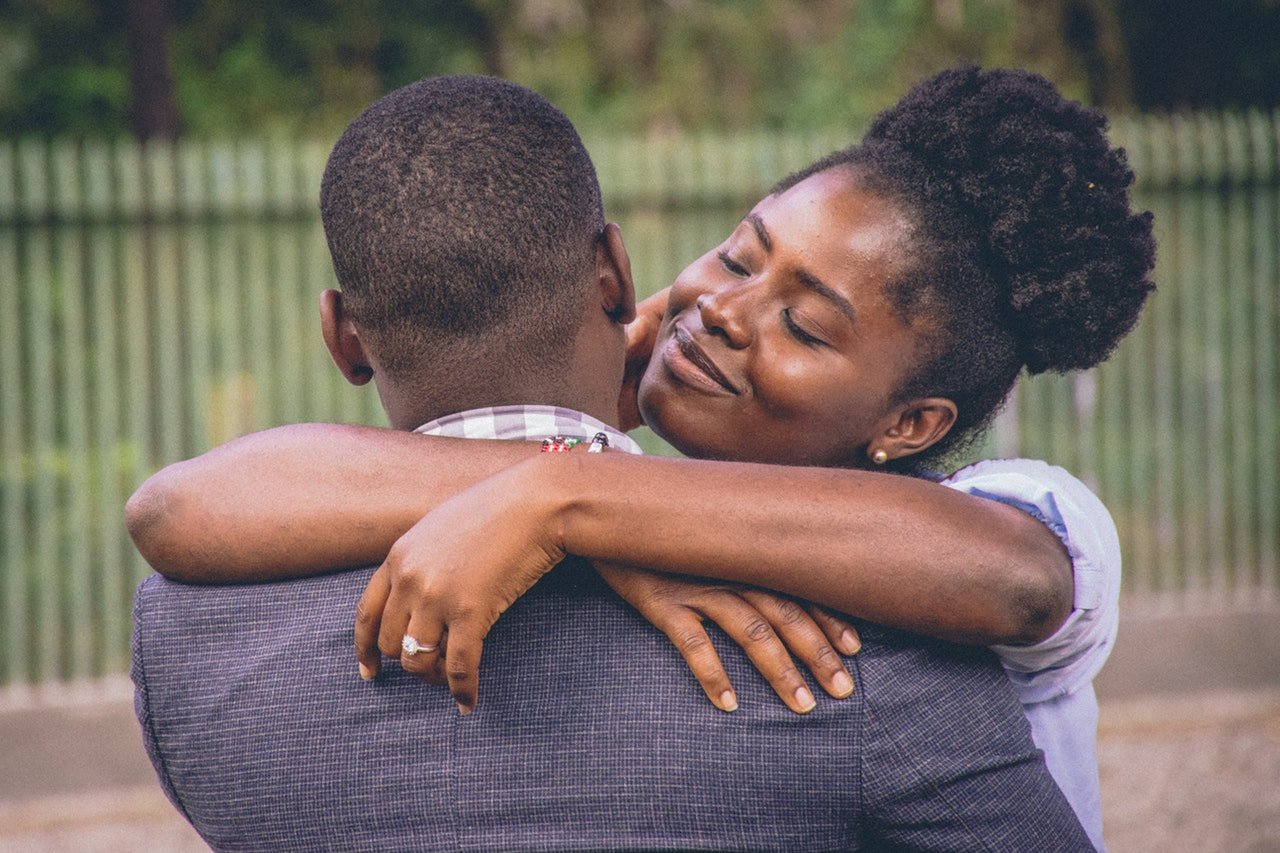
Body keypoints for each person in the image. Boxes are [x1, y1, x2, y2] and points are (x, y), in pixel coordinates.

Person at [130, 73, 1100, 850]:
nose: (721, 307)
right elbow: (172, 506)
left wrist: (572, 488)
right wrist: (569, 484)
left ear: (910, 423)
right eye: (735, 256)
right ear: (617, 273)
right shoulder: (856, 656)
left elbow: (1014, 580)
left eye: (803, 325)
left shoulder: (991, 530)